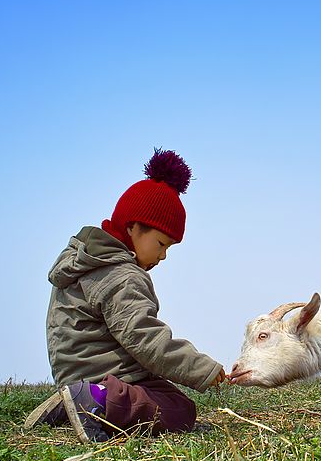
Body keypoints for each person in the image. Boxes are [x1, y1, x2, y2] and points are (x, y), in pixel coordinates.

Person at [24, 148, 227, 442]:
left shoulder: (86, 261)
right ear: (133, 227)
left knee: (166, 395)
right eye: (161, 243)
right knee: (180, 410)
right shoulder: (123, 276)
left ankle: (77, 404)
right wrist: (202, 369)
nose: (164, 255)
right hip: (103, 375)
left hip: (77, 371)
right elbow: (145, 339)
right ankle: (92, 400)